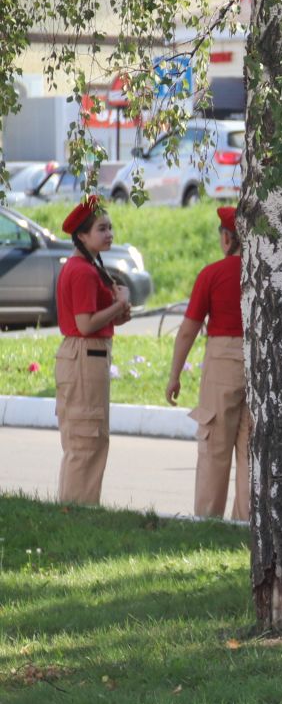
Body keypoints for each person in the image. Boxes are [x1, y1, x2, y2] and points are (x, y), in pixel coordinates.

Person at [164, 205, 250, 521]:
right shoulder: (265, 274)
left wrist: (175, 375)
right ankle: (247, 524)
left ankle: (208, 521)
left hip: (222, 358)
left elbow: (188, 330)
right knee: (251, 450)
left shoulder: (212, 274)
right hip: (260, 360)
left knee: (215, 445)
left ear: (227, 239)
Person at [54, 195, 131, 504]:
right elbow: (85, 325)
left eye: (110, 227)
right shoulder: (83, 271)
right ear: (82, 236)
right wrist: (120, 304)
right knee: (86, 439)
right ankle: (77, 511)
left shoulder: (89, 266)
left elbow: (96, 320)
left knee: (89, 438)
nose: (109, 233)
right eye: (101, 228)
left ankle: (80, 508)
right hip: (85, 355)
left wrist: (118, 310)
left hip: (87, 355)